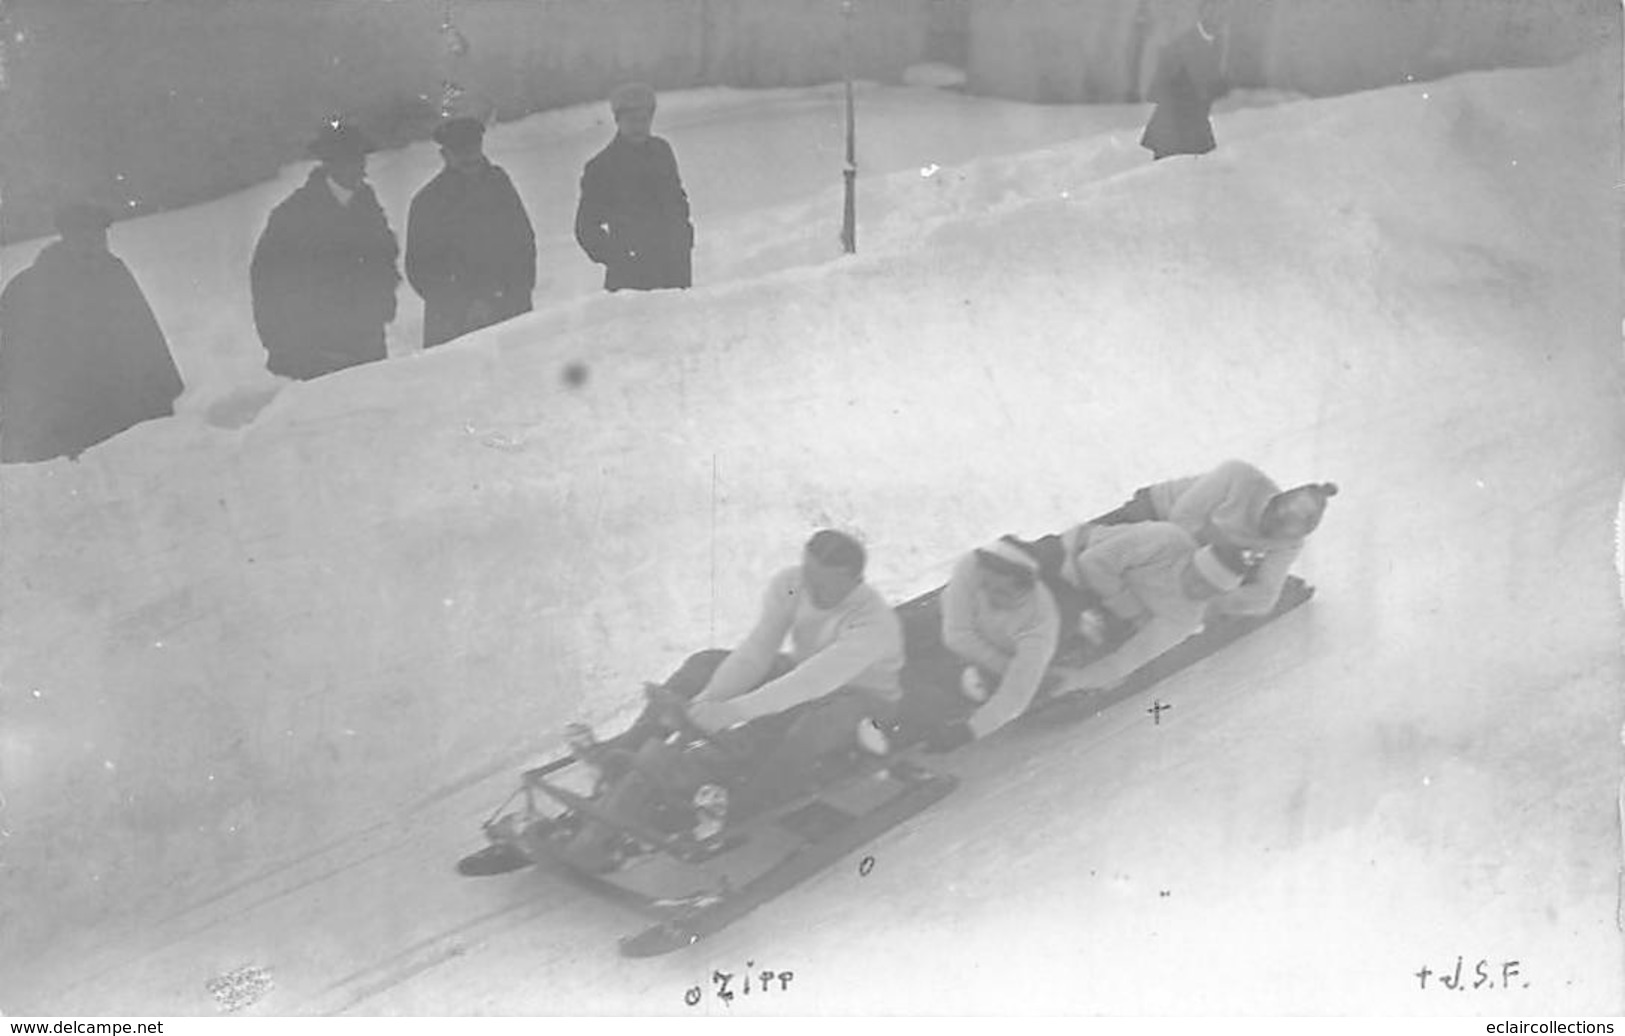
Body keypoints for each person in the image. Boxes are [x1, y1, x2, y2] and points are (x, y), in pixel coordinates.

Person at [562, 529, 903, 871]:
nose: (809, 587)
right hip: (804, 672)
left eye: (820, 581)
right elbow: (756, 651)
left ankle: (737, 814)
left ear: (849, 578)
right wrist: (708, 701)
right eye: (807, 572)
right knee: (706, 664)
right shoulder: (793, 583)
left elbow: (811, 682)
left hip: (865, 698)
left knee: (813, 726)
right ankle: (626, 752)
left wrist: (730, 712)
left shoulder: (872, 624)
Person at [0, 203, 183, 462]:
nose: (93, 243)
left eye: (98, 235)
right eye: (82, 235)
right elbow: (14, 361)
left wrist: (163, 390)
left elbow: (144, 332)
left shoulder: (113, 272)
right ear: (66, 238)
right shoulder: (29, 286)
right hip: (61, 421)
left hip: (120, 411)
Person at [1085, 459, 1338, 617]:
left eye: (1287, 531)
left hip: (1205, 554)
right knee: (1089, 551)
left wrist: (1211, 599)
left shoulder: (1287, 543)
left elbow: (1264, 597)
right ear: (1274, 503)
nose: (1273, 533)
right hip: (1157, 514)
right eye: (1278, 520)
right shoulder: (1239, 476)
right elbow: (1181, 520)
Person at [250, 122, 402, 381]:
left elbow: (385, 257)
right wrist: (282, 345)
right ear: (329, 164)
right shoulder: (292, 216)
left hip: (366, 339)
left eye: (360, 159)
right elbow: (267, 284)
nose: (359, 168)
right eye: (348, 161)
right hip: (317, 348)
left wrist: (383, 304)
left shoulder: (367, 204)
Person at [1050, 521, 1248, 693]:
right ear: (1193, 560)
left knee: (1110, 670)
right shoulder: (1167, 538)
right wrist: (1133, 612)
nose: (1197, 590)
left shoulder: (1186, 618)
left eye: (1209, 590)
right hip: (1067, 554)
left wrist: (1079, 679)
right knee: (1062, 620)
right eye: (1197, 577)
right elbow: (1091, 562)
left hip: (1098, 602)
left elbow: (1132, 657)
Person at [406, 116, 536, 348]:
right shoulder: (427, 202)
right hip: (455, 323)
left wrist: (510, 294)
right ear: (445, 155)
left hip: (509, 309)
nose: (469, 157)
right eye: (460, 152)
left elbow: (523, 244)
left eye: (473, 149)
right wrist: (467, 304)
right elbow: (421, 269)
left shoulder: (500, 184)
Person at [925, 538, 1062, 752]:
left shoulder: (1040, 625)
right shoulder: (973, 565)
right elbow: (955, 635)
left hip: (1003, 659)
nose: (988, 594)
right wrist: (1005, 668)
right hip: (951, 630)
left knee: (959, 689)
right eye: (984, 585)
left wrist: (970, 731)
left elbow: (1016, 694)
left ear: (1022, 588)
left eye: (1000, 591)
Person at [574, 82, 694, 292]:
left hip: (675, 271)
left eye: (644, 120)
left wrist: (684, 238)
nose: (639, 126)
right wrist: (619, 257)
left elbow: (677, 200)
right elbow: (586, 227)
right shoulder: (601, 167)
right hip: (631, 282)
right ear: (617, 121)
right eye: (631, 121)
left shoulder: (662, 151)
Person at [1139, 0, 1231, 161]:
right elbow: (1159, 86)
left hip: (1194, 125)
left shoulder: (1217, 43)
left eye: (1223, 15)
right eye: (1214, 13)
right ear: (1202, 14)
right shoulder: (1185, 43)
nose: (1220, 19)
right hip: (1174, 130)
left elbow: (1214, 84)